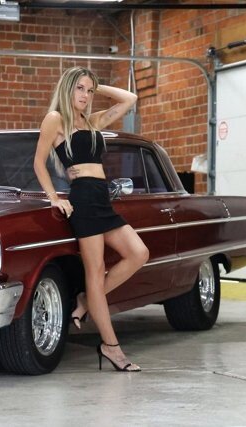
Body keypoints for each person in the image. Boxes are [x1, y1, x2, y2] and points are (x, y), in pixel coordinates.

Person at [33, 66, 149, 372]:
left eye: (89, 90)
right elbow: (39, 162)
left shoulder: (92, 121)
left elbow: (130, 99)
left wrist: (99, 85)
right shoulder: (56, 119)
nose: (85, 95)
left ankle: (85, 300)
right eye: (80, 88)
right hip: (83, 198)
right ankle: (111, 346)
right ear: (67, 88)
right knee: (95, 272)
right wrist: (55, 198)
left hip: (102, 197)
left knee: (139, 253)